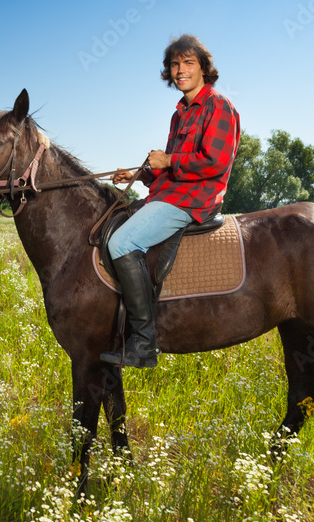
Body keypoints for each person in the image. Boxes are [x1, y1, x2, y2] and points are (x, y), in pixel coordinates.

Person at [100, 34, 240, 368]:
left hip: (195, 200)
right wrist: (139, 175)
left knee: (121, 242)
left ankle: (145, 345)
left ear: (203, 68)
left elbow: (215, 161)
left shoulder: (217, 105)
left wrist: (168, 162)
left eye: (188, 63)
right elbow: (170, 171)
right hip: (171, 193)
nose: (180, 70)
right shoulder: (180, 114)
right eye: (175, 65)